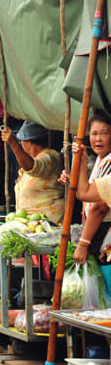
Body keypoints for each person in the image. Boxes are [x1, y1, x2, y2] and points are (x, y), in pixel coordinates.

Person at [59, 112, 111, 264]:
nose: (98, 139)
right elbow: (87, 190)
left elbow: (99, 207)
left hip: (104, 233)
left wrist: (83, 244)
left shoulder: (109, 163)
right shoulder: (101, 159)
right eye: (94, 134)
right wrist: (72, 180)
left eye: (104, 133)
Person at [1, 121, 64, 223]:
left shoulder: (50, 157)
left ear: (28, 142)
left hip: (48, 223)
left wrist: (13, 144)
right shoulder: (31, 160)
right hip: (29, 224)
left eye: (21, 143)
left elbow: (33, 167)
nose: (21, 145)